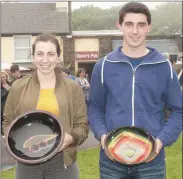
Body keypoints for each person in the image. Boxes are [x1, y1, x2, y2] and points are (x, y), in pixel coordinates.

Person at [88, 2, 182, 179]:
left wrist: (161, 140)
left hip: (151, 163)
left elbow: (178, 110)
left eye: (141, 25)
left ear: (149, 27)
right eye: (129, 24)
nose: (135, 31)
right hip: (112, 162)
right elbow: (94, 107)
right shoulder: (104, 65)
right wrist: (102, 136)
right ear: (119, 26)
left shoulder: (163, 66)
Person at [3, 33, 89, 179]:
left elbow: (83, 126)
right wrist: (11, 140)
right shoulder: (18, 87)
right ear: (33, 57)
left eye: (50, 54)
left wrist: (72, 138)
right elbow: (7, 121)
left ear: (58, 57)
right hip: (27, 161)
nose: (45, 60)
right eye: (40, 54)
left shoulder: (73, 87)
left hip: (62, 161)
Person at [1, 71, 11, 136]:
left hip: (9, 108)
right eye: (1, 77)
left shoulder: (10, 85)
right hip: (2, 109)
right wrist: (7, 90)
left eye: (4, 77)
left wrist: (10, 89)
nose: (3, 79)